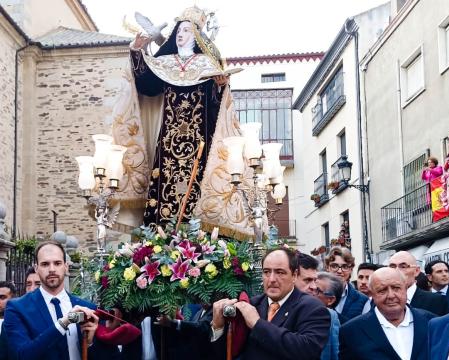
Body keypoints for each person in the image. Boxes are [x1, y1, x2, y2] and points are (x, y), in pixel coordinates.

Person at [128, 6, 232, 226]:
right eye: (178, 31)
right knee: (164, 182)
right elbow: (146, 86)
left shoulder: (207, 65)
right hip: (168, 142)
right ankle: (160, 233)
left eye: (186, 30)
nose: (181, 34)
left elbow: (215, 108)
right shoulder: (166, 63)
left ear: (196, 36)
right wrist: (137, 52)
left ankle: (197, 234)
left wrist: (220, 88)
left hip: (199, 142)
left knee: (198, 183)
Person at [211, 248, 330, 360]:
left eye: (280, 272)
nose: (272, 279)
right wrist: (218, 327)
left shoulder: (312, 308)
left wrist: (258, 324)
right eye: (266, 272)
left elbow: (307, 350)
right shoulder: (252, 304)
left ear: (294, 275)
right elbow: (229, 352)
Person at [3, 241, 116, 359]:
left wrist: (90, 343)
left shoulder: (88, 308)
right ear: (36, 268)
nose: (52, 269)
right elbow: (22, 355)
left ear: (66, 267)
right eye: (45, 264)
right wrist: (64, 323)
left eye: (57, 263)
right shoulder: (18, 308)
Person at [339, 268, 434, 360]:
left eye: (396, 288)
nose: (391, 296)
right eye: (382, 290)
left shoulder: (432, 323)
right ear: (372, 294)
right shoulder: (351, 331)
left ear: (405, 288)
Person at [387, 251, 447, 316]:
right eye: (392, 267)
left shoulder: (436, 301)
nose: (397, 271)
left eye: (403, 267)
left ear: (416, 271)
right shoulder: (381, 301)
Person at [325, 247, 368, 321]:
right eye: (334, 266)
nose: (339, 271)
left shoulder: (363, 300)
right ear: (327, 268)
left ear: (351, 269)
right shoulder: (317, 295)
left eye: (345, 266)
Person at [314, 272, 343, 360]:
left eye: (317, 290)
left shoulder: (331, 318)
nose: (311, 292)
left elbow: (336, 354)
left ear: (330, 300)